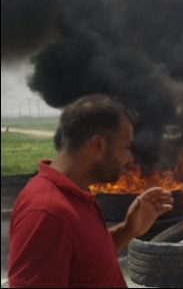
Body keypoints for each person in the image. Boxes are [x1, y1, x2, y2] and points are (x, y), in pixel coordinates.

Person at [9, 94, 174, 288]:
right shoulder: (46, 212)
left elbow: (89, 261)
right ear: (99, 144)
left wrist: (129, 229)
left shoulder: (75, 194)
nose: (131, 159)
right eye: (127, 147)